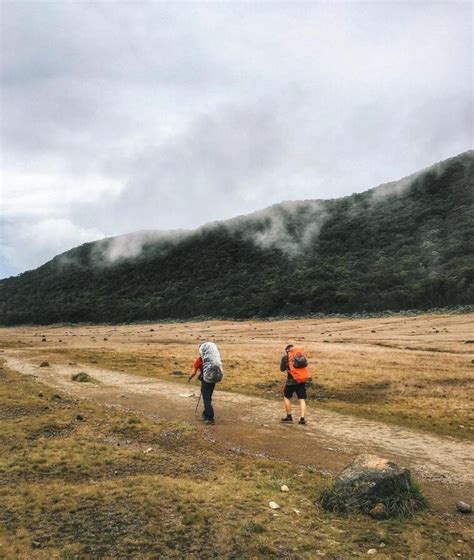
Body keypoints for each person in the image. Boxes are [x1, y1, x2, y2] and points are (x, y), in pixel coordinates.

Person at [189, 341, 224, 425]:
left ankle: (210, 418)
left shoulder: (199, 360)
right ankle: (205, 414)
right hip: (213, 378)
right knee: (208, 397)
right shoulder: (212, 360)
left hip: (206, 380)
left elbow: (193, 372)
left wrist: (190, 378)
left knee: (206, 398)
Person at [280, 344, 310, 425]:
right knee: (302, 399)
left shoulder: (286, 357)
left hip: (291, 381)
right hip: (301, 380)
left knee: (286, 397)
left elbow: (282, 369)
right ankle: (302, 418)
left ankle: (289, 416)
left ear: (287, 350)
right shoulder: (301, 356)